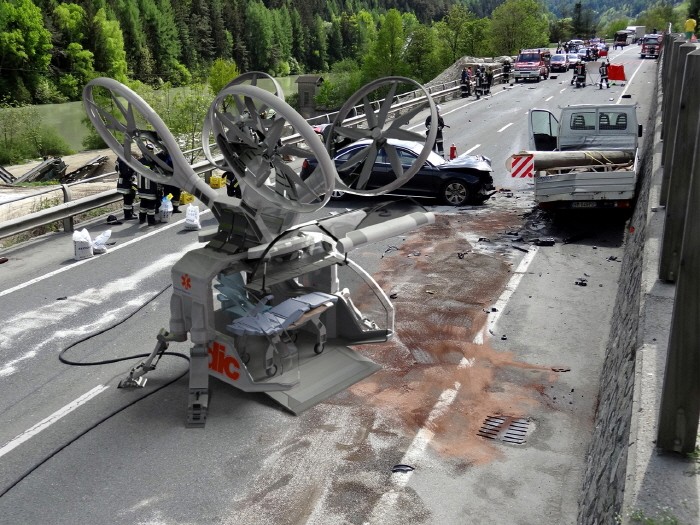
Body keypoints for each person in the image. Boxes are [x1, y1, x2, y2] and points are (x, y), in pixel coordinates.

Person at [136, 145, 163, 226]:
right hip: (150, 187)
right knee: (151, 205)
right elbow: (158, 174)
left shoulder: (139, 161)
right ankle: (151, 221)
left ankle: (142, 219)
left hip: (141, 187)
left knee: (143, 204)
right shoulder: (152, 162)